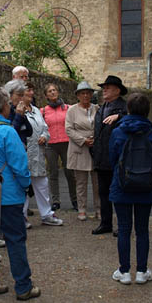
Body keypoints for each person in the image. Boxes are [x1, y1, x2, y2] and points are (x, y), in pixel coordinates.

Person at [0, 87, 40, 301]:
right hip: (7, 195)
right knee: (15, 240)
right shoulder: (6, 130)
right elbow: (20, 165)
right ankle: (23, 286)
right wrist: (25, 185)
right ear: (3, 106)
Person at [109, 93, 152, 285]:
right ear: (147, 110)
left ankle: (124, 272)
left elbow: (113, 158)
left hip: (122, 185)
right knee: (142, 230)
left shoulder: (118, 131)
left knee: (123, 229)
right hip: (145, 185)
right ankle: (142, 271)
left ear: (128, 109)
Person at [23, 82, 62, 227]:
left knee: (42, 185)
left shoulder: (36, 110)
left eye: (32, 89)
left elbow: (45, 128)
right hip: (24, 155)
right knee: (23, 188)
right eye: (28, 90)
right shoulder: (17, 111)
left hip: (38, 155)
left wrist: (45, 136)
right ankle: (22, 217)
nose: (32, 93)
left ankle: (46, 215)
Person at [92, 75, 128, 236]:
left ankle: (122, 225)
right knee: (103, 192)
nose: (104, 90)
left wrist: (120, 116)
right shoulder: (102, 107)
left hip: (116, 159)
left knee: (119, 193)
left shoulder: (124, 107)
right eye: (103, 87)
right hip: (101, 158)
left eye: (108, 87)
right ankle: (105, 223)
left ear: (117, 90)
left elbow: (133, 119)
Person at [65, 81, 99, 221]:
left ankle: (99, 209)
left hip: (95, 149)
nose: (85, 95)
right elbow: (69, 129)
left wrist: (96, 139)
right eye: (82, 93)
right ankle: (82, 209)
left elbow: (102, 125)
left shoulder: (97, 108)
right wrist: (83, 140)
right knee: (81, 183)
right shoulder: (72, 110)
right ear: (78, 95)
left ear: (91, 95)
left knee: (98, 183)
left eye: (88, 93)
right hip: (79, 148)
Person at [41, 83, 77, 212]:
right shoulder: (43, 111)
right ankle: (55, 201)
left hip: (67, 143)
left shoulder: (68, 108)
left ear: (58, 92)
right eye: (49, 91)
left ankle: (75, 200)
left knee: (69, 172)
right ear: (46, 95)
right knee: (53, 173)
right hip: (51, 145)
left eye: (54, 90)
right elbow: (41, 127)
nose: (52, 92)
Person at [3, 80, 33, 145]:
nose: (22, 98)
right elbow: (10, 133)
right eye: (19, 95)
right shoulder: (5, 111)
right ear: (9, 95)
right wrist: (18, 115)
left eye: (23, 95)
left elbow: (29, 132)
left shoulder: (16, 109)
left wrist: (23, 115)